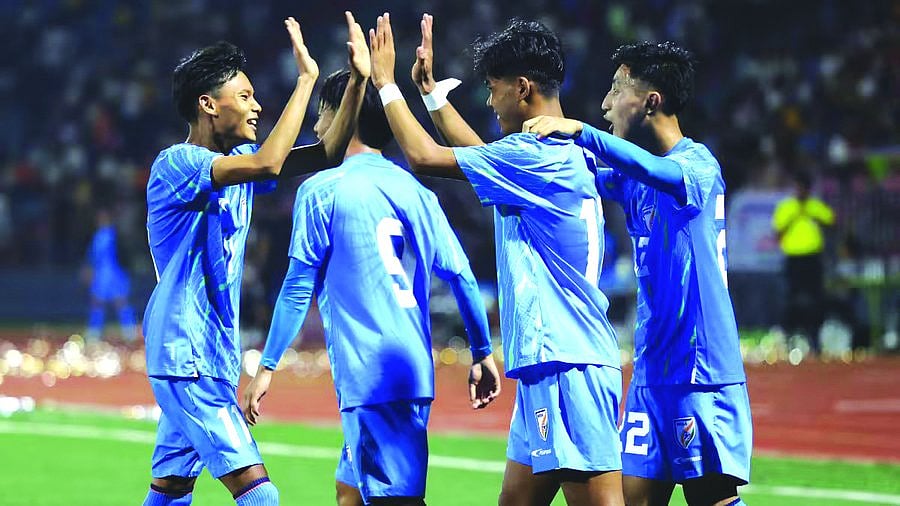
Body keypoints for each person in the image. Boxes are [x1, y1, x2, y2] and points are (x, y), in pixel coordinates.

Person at [369, 14, 625, 506]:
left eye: (493, 88)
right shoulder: (554, 151)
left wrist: (386, 84)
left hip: (565, 360)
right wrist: (430, 96)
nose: (489, 101)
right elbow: (482, 156)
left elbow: (424, 157)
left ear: (522, 88)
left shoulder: (536, 155)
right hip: (548, 362)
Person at [241, 68, 501, 506]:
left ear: (345, 114)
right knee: (350, 491)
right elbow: (461, 275)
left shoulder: (321, 190)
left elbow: (298, 286)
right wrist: (480, 352)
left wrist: (266, 367)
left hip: (371, 373)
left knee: (393, 501)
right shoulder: (417, 191)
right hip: (411, 368)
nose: (318, 127)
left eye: (323, 114)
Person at [142, 13, 370, 506]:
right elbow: (268, 162)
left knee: (171, 488)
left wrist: (358, 81)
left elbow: (327, 153)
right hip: (187, 353)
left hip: (208, 354)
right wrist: (306, 80)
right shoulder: (177, 164)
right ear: (208, 105)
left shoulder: (236, 169)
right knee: (259, 494)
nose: (256, 106)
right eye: (244, 96)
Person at [523, 41, 752, 506]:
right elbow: (573, 172)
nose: (605, 104)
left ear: (651, 101)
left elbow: (652, 168)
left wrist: (581, 131)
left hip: (699, 371)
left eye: (616, 89)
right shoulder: (634, 180)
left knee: (711, 499)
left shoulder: (697, 166)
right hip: (651, 370)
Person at [772, 170, 835, 355]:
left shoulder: (815, 206)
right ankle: (789, 336)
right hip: (794, 259)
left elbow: (831, 222)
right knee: (792, 298)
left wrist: (813, 216)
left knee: (816, 299)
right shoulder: (787, 207)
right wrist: (794, 217)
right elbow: (778, 232)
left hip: (813, 258)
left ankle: (815, 338)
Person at [81, 207, 137, 343]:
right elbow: (92, 256)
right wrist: (89, 269)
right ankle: (94, 331)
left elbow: (124, 253)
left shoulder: (115, 235)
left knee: (121, 301)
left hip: (115, 272)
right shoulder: (97, 236)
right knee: (97, 302)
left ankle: (129, 330)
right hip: (101, 274)